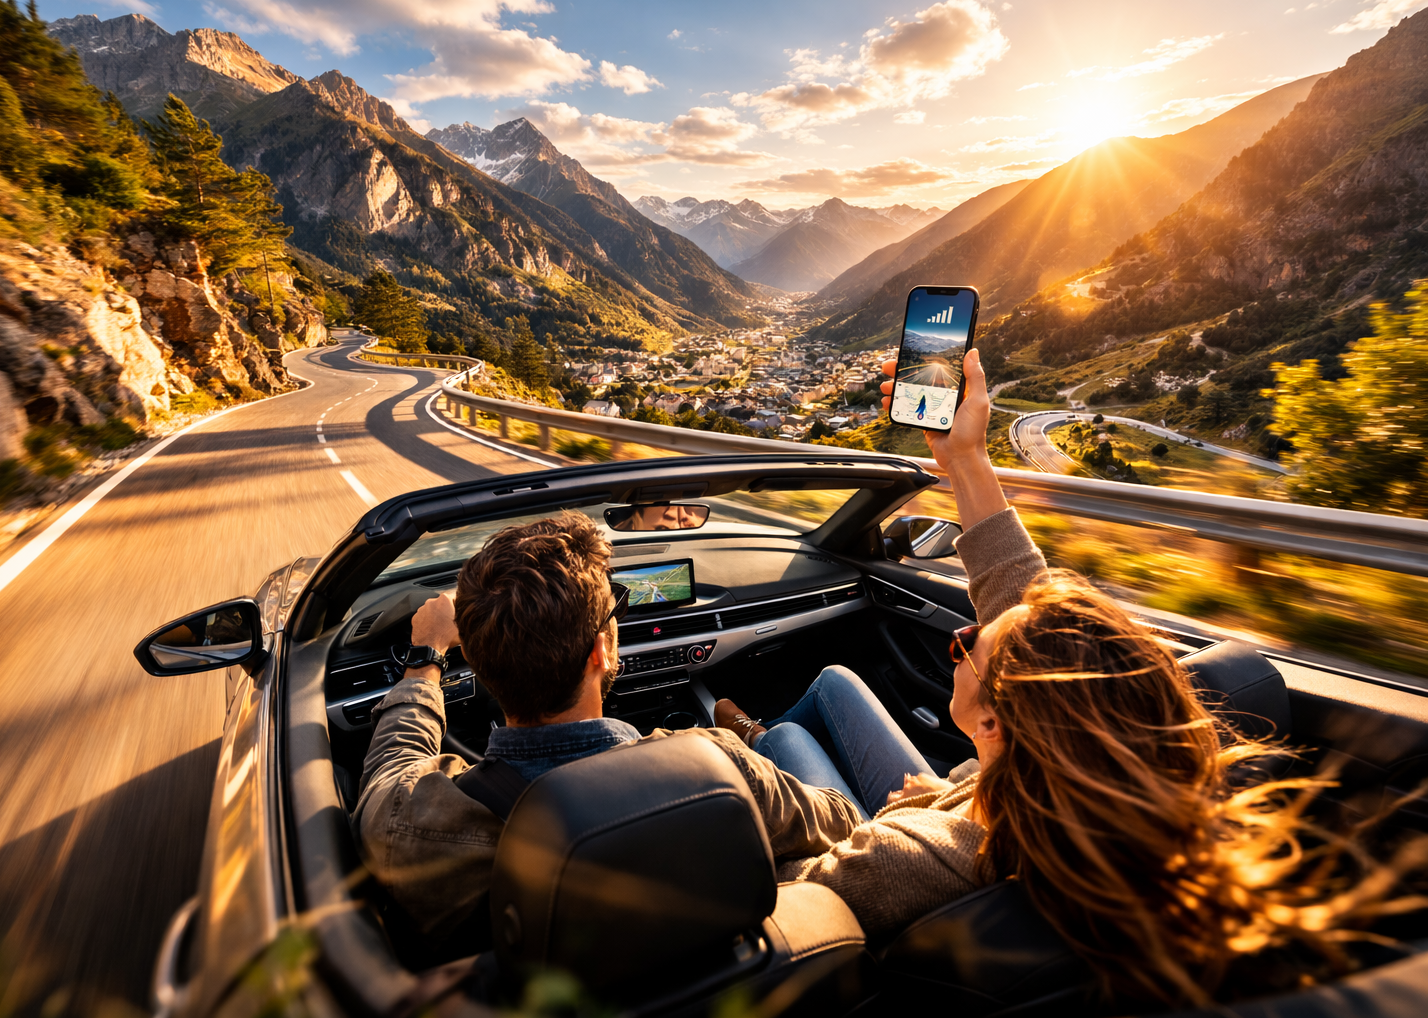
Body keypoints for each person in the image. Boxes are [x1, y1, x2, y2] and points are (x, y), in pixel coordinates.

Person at [716, 350, 1418, 1009]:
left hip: (885, 829)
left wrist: (707, 781)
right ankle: (758, 735)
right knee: (837, 683)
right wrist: (965, 457)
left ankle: (752, 742)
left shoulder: (898, 863)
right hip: (944, 804)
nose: (967, 633)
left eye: (968, 645)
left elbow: (771, 913)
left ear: (990, 725)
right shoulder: (1107, 786)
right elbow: (1028, 608)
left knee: (764, 760)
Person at [352, 512, 863, 942]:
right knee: (804, 719)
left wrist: (425, 661)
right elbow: (841, 823)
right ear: (601, 650)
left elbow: (391, 764)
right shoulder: (720, 765)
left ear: (479, 662)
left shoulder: (416, 823)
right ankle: (761, 731)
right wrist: (748, 747)